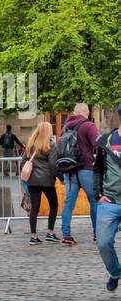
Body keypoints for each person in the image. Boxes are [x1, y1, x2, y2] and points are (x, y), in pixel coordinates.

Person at [59, 103, 99, 245]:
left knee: (69, 203)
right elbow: (99, 146)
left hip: (69, 170)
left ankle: (66, 236)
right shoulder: (89, 126)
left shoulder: (65, 127)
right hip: (87, 169)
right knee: (94, 201)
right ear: (86, 112)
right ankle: (97, 234)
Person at [94, 110, 121, 292]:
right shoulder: (106, 141)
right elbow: (97, 169)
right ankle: (115, 273)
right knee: (103, 243)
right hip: (110, 200)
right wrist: (98, 194)